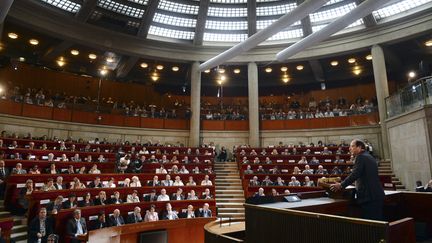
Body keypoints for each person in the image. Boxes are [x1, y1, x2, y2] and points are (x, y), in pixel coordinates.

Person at [331, 139, 385, 220]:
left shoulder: (360, 157)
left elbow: (355, 174)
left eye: (352, 146)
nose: (349, 148)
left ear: (359, 147)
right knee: (378, 223)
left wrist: (341, 185)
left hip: (368, 197)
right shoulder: (370, 157)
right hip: (376, 195)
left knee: (371, 224)